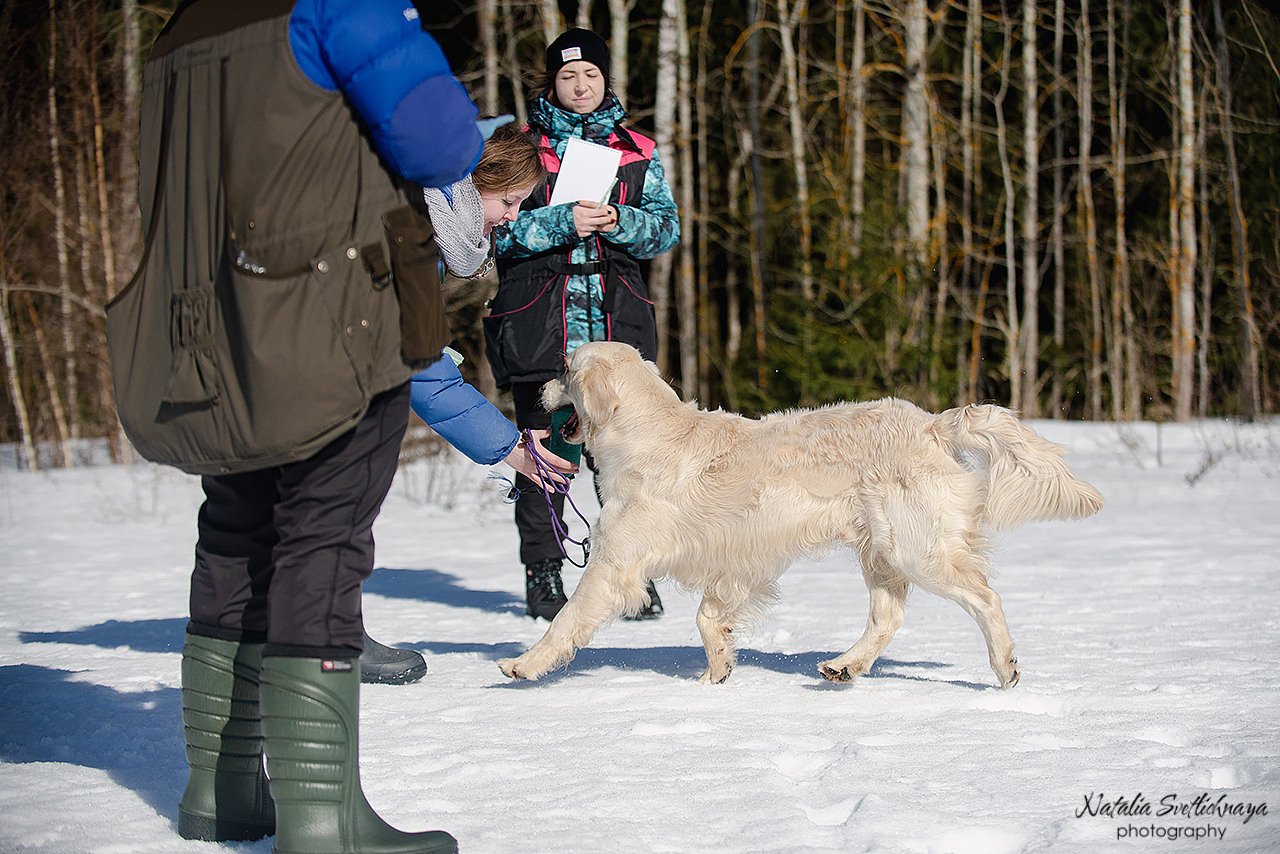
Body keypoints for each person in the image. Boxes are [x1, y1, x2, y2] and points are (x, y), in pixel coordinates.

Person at [105, 2, 571, 851]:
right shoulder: (339, 6)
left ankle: (221, 790)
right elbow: (442, 141)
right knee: (322, 545)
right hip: (331, 323)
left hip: (213, 319)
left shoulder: (182, 26)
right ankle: (323, 824)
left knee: (235, 535)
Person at [485, 28, 682, 622]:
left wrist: (619, 220)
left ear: (605, 79)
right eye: (568, 76)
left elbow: (665, 230)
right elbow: (492, 230)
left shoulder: (636, 150)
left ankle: (630, 572)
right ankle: (543, 573)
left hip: (616, 329)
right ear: (552, 83)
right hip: (539, 325)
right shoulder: (520, 147)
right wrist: (560, 222)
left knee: (625, 458)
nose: (580, 85)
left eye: (590, 74)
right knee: (545, 454)